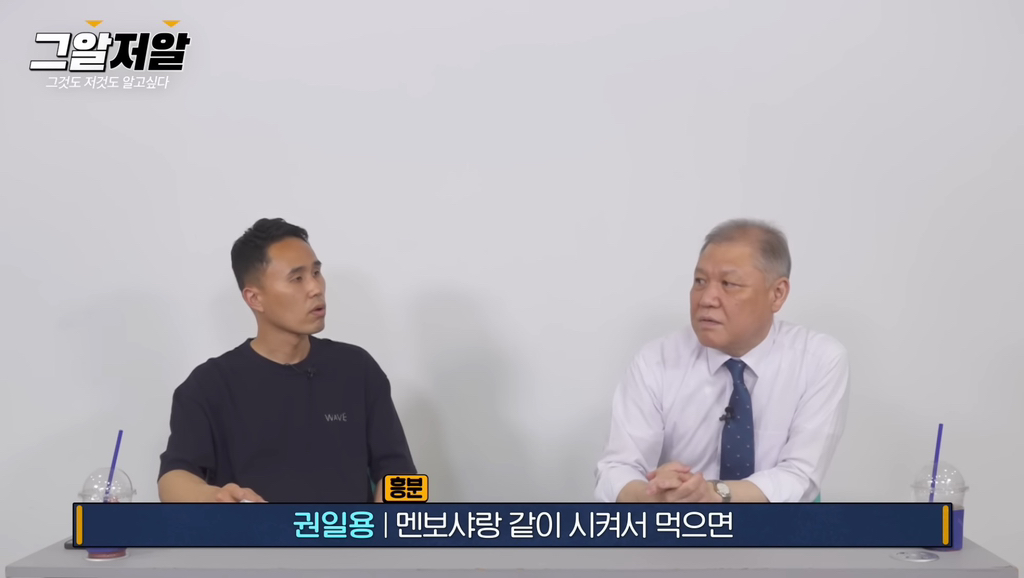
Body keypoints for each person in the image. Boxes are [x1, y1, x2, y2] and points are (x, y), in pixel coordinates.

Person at [158, 218, 416, 503]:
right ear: (254, 298)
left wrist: (385, 527)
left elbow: (402, 474)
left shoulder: (357, 368)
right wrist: (217, 497)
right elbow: (174, 478)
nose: (315, 288)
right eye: (297, 278)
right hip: (256, 533)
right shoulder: (210, 385)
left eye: (316, 273)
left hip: (347, 531)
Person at [594, 219, 849, 503]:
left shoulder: (818, 360)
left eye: (729, 284)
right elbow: (616, 469)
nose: (707, 299)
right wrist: (655, 496)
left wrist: (713, 494)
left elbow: (800, 476)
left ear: (777, 294)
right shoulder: (655, 361)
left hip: (782, 524)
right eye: (700, 281)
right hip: (684, 524)